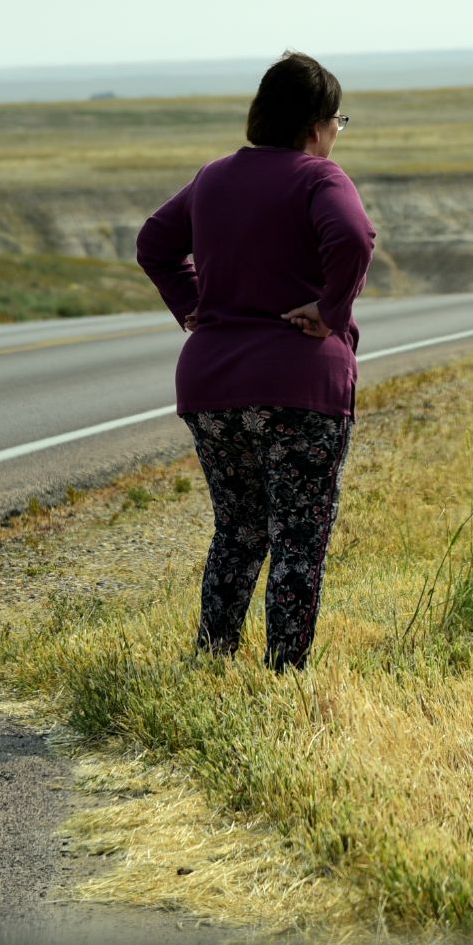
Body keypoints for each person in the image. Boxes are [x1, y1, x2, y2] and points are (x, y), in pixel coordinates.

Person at [135, 52, 375, 671]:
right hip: (299, 387)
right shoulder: (320, 179)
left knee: (238, 532)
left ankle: (212, 663)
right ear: (317, 124)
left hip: (213, 385)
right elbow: (352, 238)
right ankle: (284, 676)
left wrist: (194, 308)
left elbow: (153, 243)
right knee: (299, 539)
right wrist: (329, 310)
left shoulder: (213, 177)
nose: (335, 135)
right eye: (337, 122)